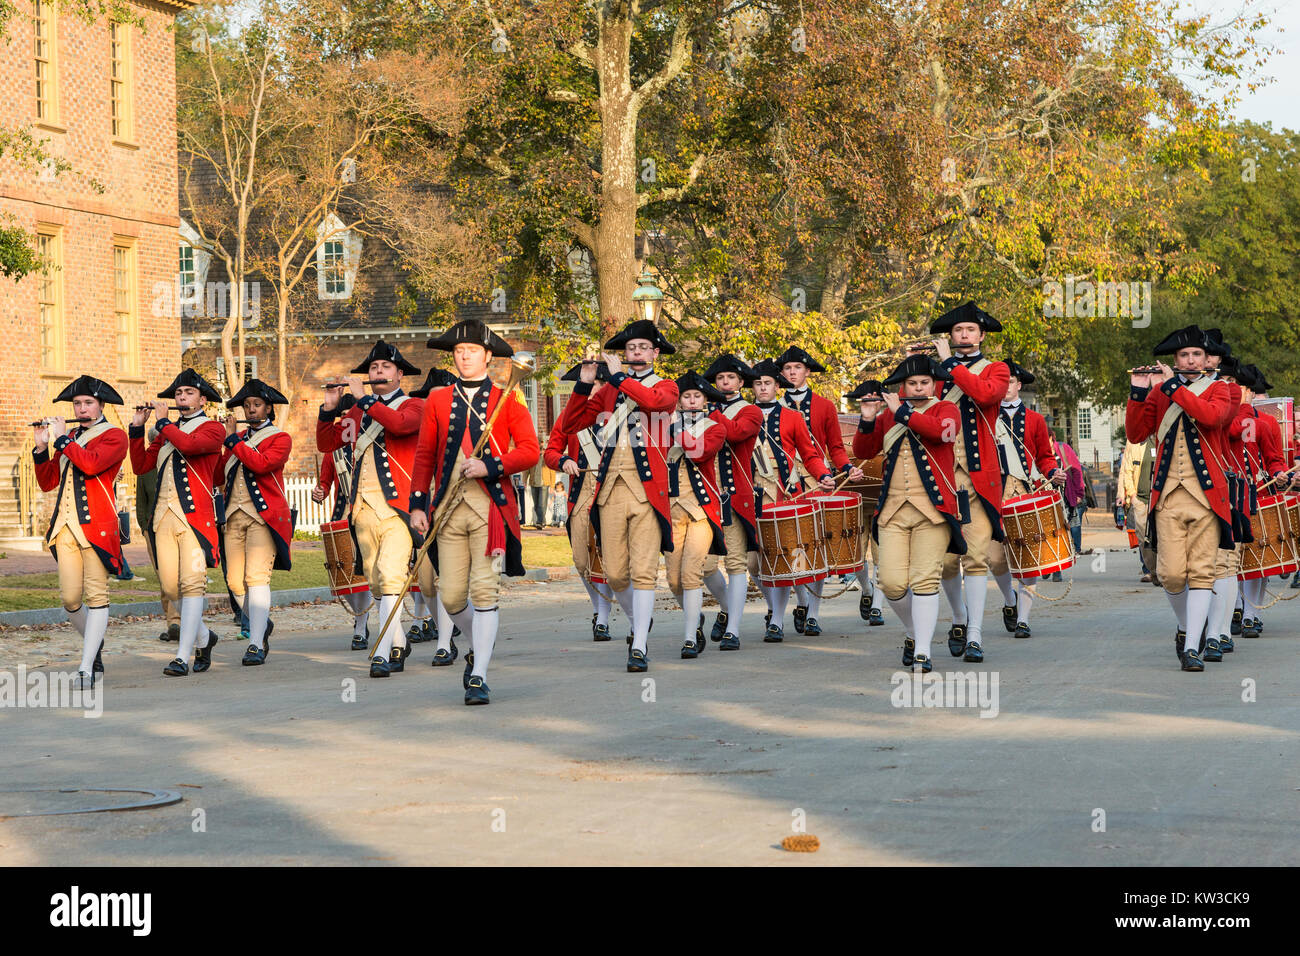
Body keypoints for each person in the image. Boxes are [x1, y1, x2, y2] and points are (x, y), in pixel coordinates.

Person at [409, 319, 539, 704]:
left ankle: (479, 673)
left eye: (471, 351)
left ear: (487, 356)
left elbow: (530, 449)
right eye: (459, 351)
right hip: (448, 507)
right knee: (450, 597)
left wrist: (491, 466)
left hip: (490, 507)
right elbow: (425, 454)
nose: (464, 356)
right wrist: (418, 504)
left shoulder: (507, 397)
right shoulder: (437, 399)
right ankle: (474, 645)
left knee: (484, 590)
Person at [558, 319, 679, 672]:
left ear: (655, 353)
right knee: (614, 574)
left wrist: (618, 378)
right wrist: (583, 383)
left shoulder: (666, 386)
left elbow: (656, 404)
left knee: (643, 571)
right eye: (630, 349)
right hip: (609, 489)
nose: (635, 353)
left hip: (647, 492)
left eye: (642, 348)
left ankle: (639, 643)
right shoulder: (608, 391)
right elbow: (571, 425)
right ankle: (638, 622)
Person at [1125, 324, 1235, 671]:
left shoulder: (1221, 390)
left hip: (1206, 497)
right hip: (1168, 495)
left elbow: (1211, 417)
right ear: (1175, 359)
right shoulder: (1160, 393)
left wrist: (1171, 385)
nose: (1189, 359)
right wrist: (1139, 391)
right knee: (1171, 575)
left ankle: (1192, 648)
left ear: (1206, 360)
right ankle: (1188, 627)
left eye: (1196, 355)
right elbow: (1135, 432)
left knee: (1202, 572)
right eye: (1183, 355)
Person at [317, 340, 424, 677]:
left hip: (398, 507)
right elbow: (328, 444)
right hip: (361, 507)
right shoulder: (357, 412)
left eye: (384, 368)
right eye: (373, 368)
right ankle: (398, 641)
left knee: (392, 573)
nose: (377, 372)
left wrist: (363, 398)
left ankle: (381, 649)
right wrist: (329, 407)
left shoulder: (414, 405)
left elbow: (400, 425)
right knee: (377, 581)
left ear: (399, 373)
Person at [852, 355, 965, 673]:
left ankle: (923, 652)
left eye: (924, 383)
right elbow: (863, 451)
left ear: (933, 384)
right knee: (890, 583)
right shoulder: (889, 414)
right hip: (892, 510)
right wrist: (868, 417)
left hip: (933, 511)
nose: (918, 387)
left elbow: (942, 434)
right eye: (912, 383)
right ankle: (914, 633)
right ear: (902, 385)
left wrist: (902, 412)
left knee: (924, 580)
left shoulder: (946, 409)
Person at [32, 376, 129, 689]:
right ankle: (94, 644)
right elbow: (48, 482)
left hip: (97, 528)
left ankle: (87, 666)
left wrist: (63, 441)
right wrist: (41, 447)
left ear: (101, 406)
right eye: (77, 404)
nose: (82, 408)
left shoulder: (115, 436)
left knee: (97, 594)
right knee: (71, 600)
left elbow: (91, 465)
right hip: (65, 529)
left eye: (88, 403)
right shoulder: (71, 436)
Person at [927, 302, 1010, 664]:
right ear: (950, 336)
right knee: (945, 562)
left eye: (970, 331)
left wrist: (951, 366)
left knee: (976, 558)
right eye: (958, 331)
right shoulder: (932, 373)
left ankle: (975, 633)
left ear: (981, 335)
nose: (964, 335)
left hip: (978, 478)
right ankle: (959, 618)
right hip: (940, 476)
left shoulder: (997, 368)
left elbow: (987, 394)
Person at [130, 369, 225, 677]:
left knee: (191, 584)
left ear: (203, 399)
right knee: (171, 588)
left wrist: (163, 424)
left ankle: (183, 656)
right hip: (163, 517)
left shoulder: (213, 429)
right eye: (178, 394)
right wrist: (136, 429)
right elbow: (141, 465)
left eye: (188, 393)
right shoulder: (167, 432)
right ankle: (204, 637)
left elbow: (189, 446)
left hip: (196, 519)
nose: (181, 398)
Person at [778, 346, 864, 636]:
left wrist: (846, 469)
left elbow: (836, 448)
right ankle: (802, 602)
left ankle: (813, 613)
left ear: (807, 371)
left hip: (819, 478)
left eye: (797, 368)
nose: (792, 373)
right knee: (793, 545)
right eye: (787, 369)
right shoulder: (773, 403)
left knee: (814, 545)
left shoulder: (825, 406)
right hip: (786, 480)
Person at [747, 359, 834, 644]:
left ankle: (780, 619)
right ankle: (778, 607)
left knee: (792, 557)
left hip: (787, 492)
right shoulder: (742, 415)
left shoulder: (792, 417)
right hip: (753, 495)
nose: (763, 388)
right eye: (758, 383)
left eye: (768, 383)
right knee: (754, 563)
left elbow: (809, 454)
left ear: (777, 386)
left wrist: (822, 474)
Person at [988, 361, 1066, 638]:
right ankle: (1010, 601)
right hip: (994, 493)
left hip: (1027, 491)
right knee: (995, 558)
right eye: (1001, 382)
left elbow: (1044, 454)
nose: (1006, 387)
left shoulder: (1035, 419)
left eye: (1010, 382)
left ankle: (1023, 618)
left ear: (1019, 385)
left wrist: (1052, 471)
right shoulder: (986, 418)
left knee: (1029, 557)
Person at [219, 379, 293, 666]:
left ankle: (254, 643)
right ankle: (262, 624)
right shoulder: (235, 440)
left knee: (256, 578)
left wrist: (233, 440)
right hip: (233, 516)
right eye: (247, 406)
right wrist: (223, 442)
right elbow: (217, 476)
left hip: (263, 517)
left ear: (268, 408)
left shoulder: (280, 438)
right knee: (234, 581)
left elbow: (261, 464)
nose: (250, 410)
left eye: (256, 405)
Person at [545, 362, 615, 641]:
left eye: (597, 384)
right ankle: (599, 608)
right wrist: (565, 461)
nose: (591, 390)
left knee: (609, 560)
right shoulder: (568, 417)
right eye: (587, 386)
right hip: (581, 492)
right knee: (581, 559)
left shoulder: (617, 415)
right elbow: (550, 452)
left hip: (612, 491)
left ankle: (603, 617)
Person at [702, 354, 764, 649]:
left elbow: (736, 433)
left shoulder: (750, 411)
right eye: (720, 379)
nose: (724, 383)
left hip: (735, 495)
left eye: (730, 378)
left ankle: (734, 630)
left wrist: (710, 413)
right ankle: (728, 608)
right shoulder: (704, 409)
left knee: (736, 563)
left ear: (741, 382)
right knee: (703, 565)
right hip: (705, 496)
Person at [665, 372, 728, 658]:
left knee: (691, 573)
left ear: (704, 400)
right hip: (671, 508)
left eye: (696, 397)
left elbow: (698, 452)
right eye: (685, 397)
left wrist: (673, 427)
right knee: (673, 580)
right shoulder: (661, 427)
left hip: (701, 510)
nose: (691, 401)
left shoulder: (714, 427)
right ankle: (696, 621)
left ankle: (689, 638)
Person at [406, 366, 458, 649]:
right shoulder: (420, 434)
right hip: (427, 512)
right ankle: (444, 629)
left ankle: (446, 643)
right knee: (426, 583)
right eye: (432, 399)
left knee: (449, 583)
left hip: (459, 515)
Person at [313, 448, 374, 649]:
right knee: (342, 577)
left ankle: (360, 627)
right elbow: (324, 484)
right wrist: (320, 491)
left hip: (369, 514)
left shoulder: (370, 443)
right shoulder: (334, 452)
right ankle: (360, 617)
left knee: (363, 576)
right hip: (341, 517)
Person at [845, 379, 888, 625]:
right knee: (857, 554)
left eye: (874, 397)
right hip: (858, 498)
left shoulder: (890, 420)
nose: (870, 401)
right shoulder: (854, 423)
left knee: (881, 555)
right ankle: (867, 590)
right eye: (866, 398)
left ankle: (878, 607)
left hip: (884, 498)